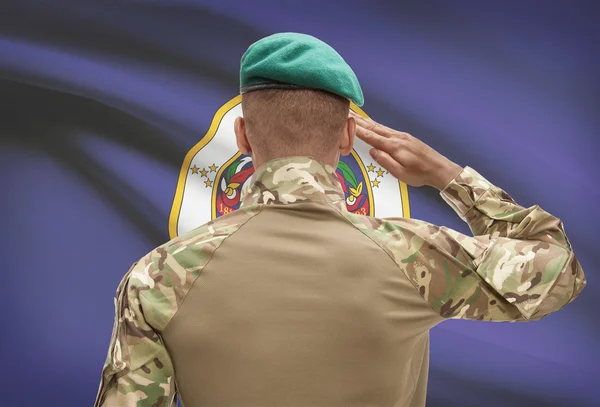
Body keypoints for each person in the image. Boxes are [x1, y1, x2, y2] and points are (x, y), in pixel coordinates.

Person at [94, 32, 586, 407]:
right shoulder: (415, 256)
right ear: (349, 136)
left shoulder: (157, 276)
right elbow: (559, 269)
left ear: (242, 136)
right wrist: (448, 176)